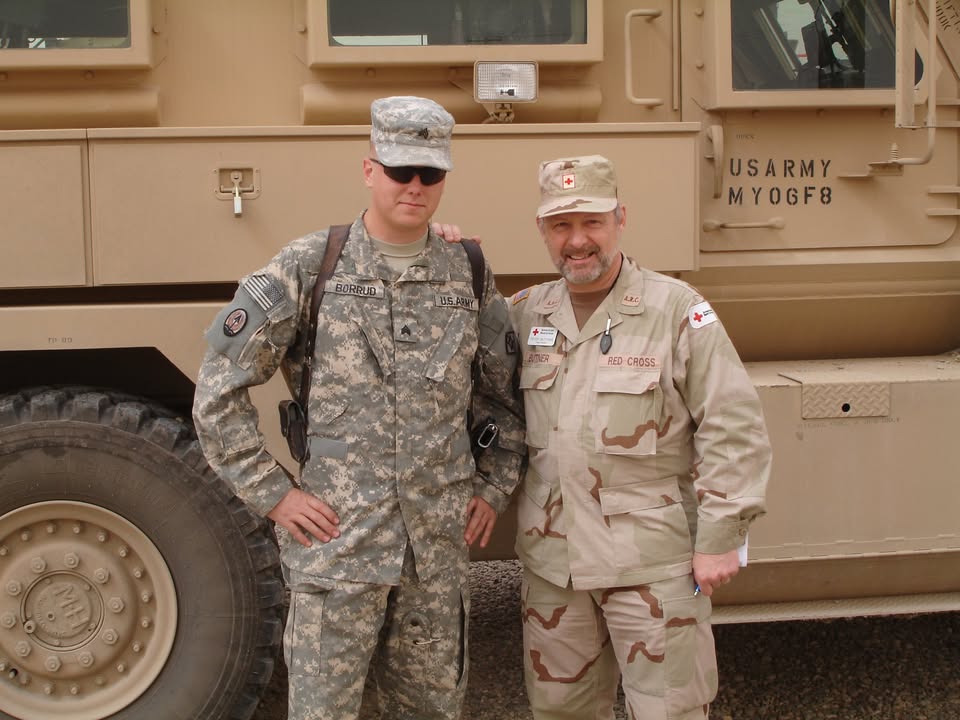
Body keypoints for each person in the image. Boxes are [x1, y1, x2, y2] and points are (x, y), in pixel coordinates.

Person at [192, 96, 525, 720]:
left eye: (430, 174)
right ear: (369, 169)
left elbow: (505, 396)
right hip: (338, 552)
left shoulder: (468, 271)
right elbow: (218, 391)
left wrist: (495, 485)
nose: (415, 187)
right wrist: (275, 495)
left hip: (436, 557)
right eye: (400, 171)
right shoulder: (308, 266)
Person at [509, 155, 771, 720]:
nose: (577, 241)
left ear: (620, 219)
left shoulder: (675, 309)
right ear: (542, 231)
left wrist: (722, 533)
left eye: (592, 223)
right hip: (556, 570)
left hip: (651, 568)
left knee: (669, 713)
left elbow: (734, 424)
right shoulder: (525, 312)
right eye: (561, 225)